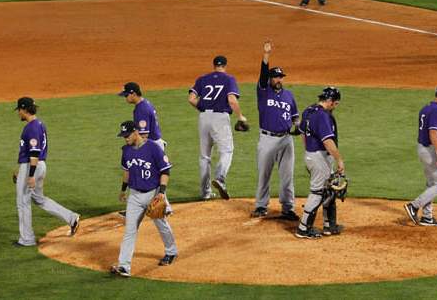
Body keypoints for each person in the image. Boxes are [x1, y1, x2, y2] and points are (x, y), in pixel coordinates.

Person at [110, 121, 177, 278]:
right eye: (123, 136)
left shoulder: (153, 148)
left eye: (127, 135)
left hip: (153, 194)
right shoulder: (126, 151)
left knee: (161, 224)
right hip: (134, 195)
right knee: (130, 230)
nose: (125, 139)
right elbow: (126, 171)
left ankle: (171, 251)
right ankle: (124, 266)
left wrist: (161, 192)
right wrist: (123, 190)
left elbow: (165, 171)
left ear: (136, 132)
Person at [13, 97, 80, 247]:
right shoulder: (39, 124)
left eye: (19, 110)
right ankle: (71, 217)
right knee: (39, 199)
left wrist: (30, 175)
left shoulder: (32, 127)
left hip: (33, 166)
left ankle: (26, 239)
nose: (18, 113)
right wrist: (22, 171)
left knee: (23, 202)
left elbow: (34, 153)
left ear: (24, 110)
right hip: (37, 165)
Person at [251, 41, 300, 220]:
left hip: (287, 140)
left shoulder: (288, 95)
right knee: (264, 174)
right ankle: (261, 206)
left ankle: (288, 207)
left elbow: (295, 115)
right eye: (276, 77)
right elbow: (263, 74)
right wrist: (266, 55)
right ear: (270, 79)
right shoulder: (264, 91)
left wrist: (297, 125)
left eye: (281, 77)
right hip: (267, 139)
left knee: (287, 175)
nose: (279, 80)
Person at [188, 56, 247, 200]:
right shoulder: (229, 79)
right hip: (220, 118)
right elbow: (232, 100)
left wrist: (203, 108)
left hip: (203, 118)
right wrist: (240, 117)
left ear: (214, 65)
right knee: (227, 150)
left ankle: (205, 193)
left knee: (204, 157)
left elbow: (191, 99)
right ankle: (220, 178)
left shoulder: (203, 78)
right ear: (225, 66)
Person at [296, 87, 345, 239]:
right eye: (335, 103)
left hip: (313, 155)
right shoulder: (323, 116)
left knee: (329, 190)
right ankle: (303, 228)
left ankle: (329, 225)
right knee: (317, 192)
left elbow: (302, 133)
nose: (335, 106)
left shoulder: (309, 110)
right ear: (329, 101)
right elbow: (328, 141)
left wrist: (308, 152)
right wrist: (340, 160)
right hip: (319, 157)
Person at [404, 84, 437, 227]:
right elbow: (433, 133)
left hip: (422, 149)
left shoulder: (426, 108)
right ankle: (414, 206)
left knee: (432, 184)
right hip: (430, 150)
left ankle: (427, 217)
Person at [118, 82, 167, 151]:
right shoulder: (145, 102)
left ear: (134, 94)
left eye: (126, 95)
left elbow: (144, 136)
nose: (125, 98)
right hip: (155, 143)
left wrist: (134, 149)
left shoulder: (141, 110)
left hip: (151, 146)